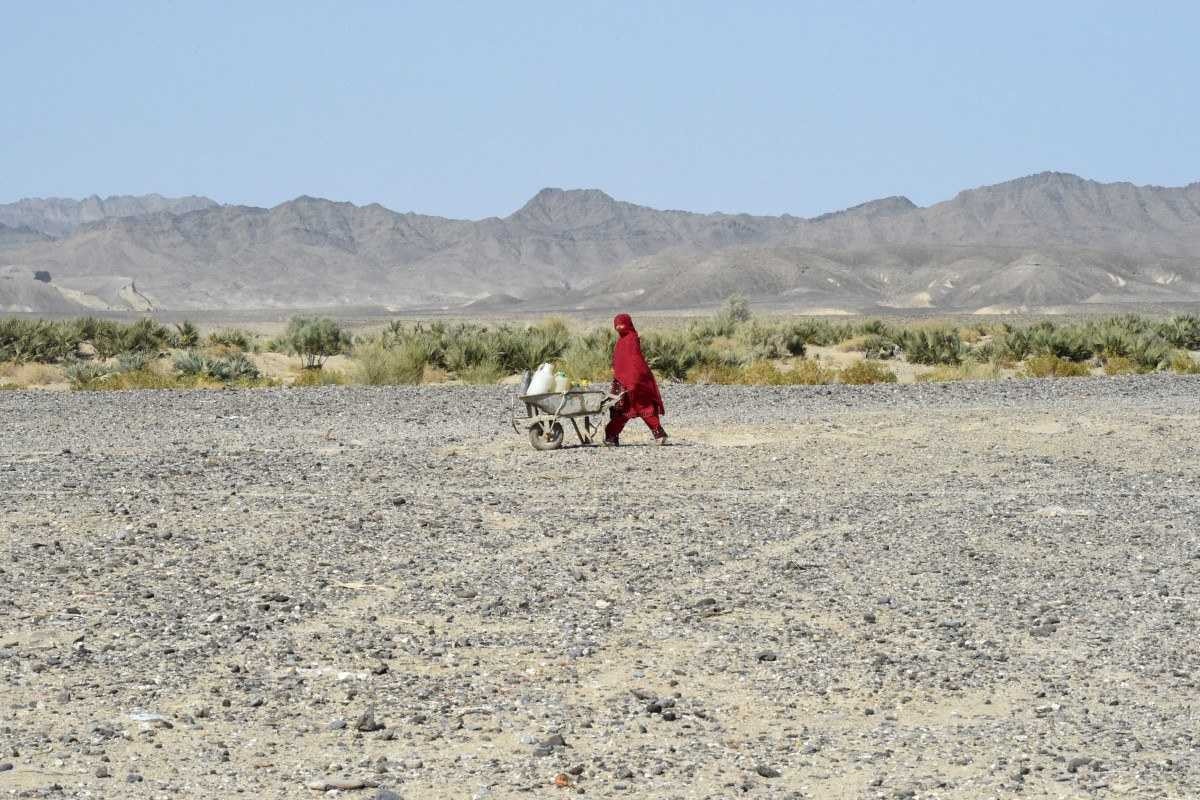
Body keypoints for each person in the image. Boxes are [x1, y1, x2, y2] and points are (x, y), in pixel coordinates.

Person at [605, 313, 667, 446]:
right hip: (623, 382)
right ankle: (612, 436)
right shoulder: (621, 342)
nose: (619, 327)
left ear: (628, 324)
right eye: (617, 325)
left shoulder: (632, 338)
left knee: (645, 407)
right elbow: (620, 363)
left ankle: (659, 434)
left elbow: (636, 362)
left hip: (637, 382)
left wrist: (634, 380)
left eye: (622, 324)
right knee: (621, 410)